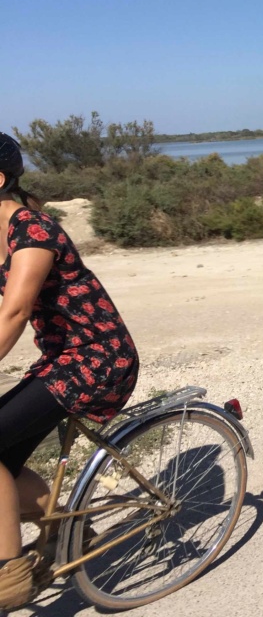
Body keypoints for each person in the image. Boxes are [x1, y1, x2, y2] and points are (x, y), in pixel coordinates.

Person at [0, 133, 138, 610]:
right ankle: (62, 528)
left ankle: (11, 574)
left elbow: (14, 313)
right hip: (60, 358)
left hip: (98, 357)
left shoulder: (32, 230)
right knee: (6, 456)